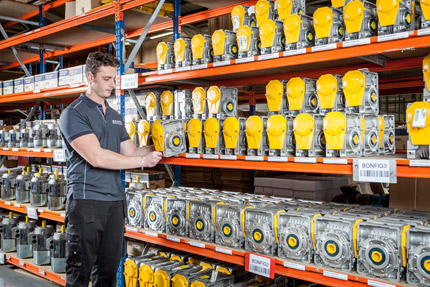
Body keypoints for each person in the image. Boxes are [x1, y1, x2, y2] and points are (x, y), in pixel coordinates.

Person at [59, 51, 162, 287]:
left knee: (108, 271)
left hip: (115, 203)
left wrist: (163, 144)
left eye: (114, 79)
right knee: (79, 272)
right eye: (106, 79)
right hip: (86, 202)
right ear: (90, 78)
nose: (112, 84)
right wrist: (142, 162)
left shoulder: (115, 116)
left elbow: (131, 152)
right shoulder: (73, 114)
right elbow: (96, 157)